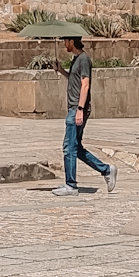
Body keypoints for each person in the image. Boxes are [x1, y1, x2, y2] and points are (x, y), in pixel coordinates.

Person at [52, 36, 116, 197]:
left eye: (65, 41)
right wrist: (61, 71)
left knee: (69, 148)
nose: (64, 45)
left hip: (77, 109)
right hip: (74, 108)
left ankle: (71, 186)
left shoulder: (84, 59)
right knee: (76, 148)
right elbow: (75, 81)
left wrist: (80, 109)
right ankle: (106, 170)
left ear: (71, 42)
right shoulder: (77, 60)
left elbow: (85, 85)